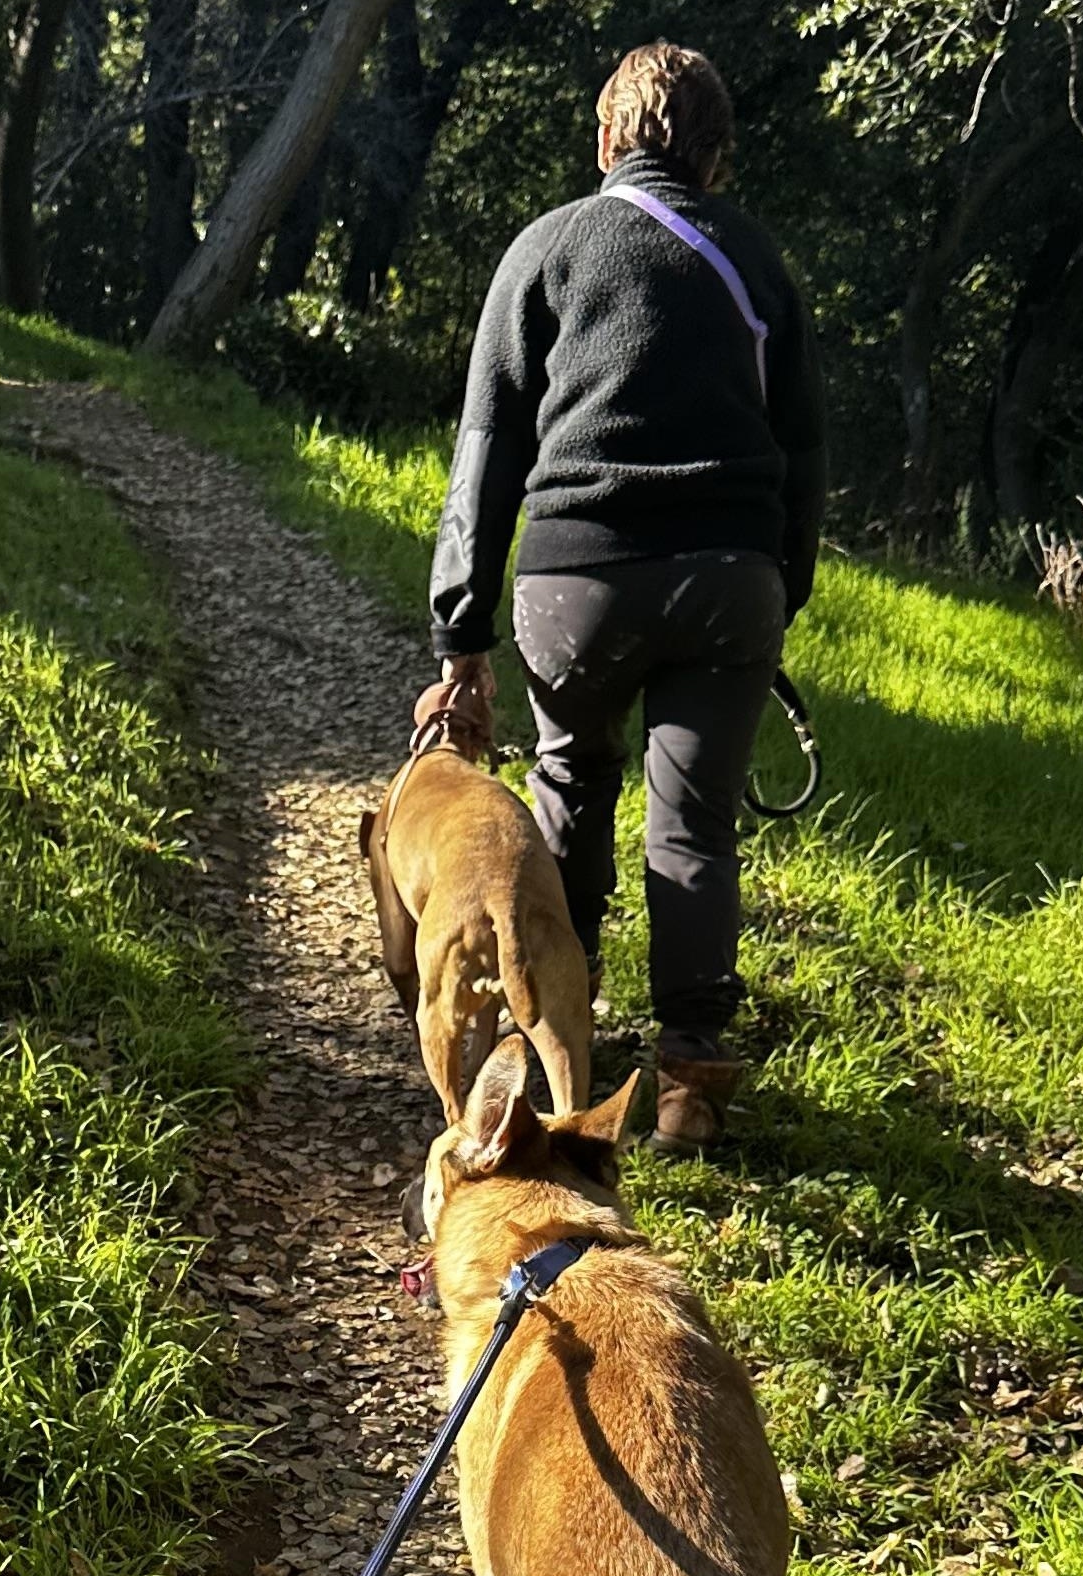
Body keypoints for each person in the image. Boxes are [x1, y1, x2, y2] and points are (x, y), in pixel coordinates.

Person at [424, 41, 824, 1152]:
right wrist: (778, 586)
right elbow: (804, 448)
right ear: (718, 157)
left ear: (607, 140)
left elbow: (487, 447)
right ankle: (692, 1079)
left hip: (574, 582)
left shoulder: (547, 249)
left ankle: (564, 1040)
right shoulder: (757, 262)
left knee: (572, 782)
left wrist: (462, 627)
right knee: (694, 825)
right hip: (729, 576)